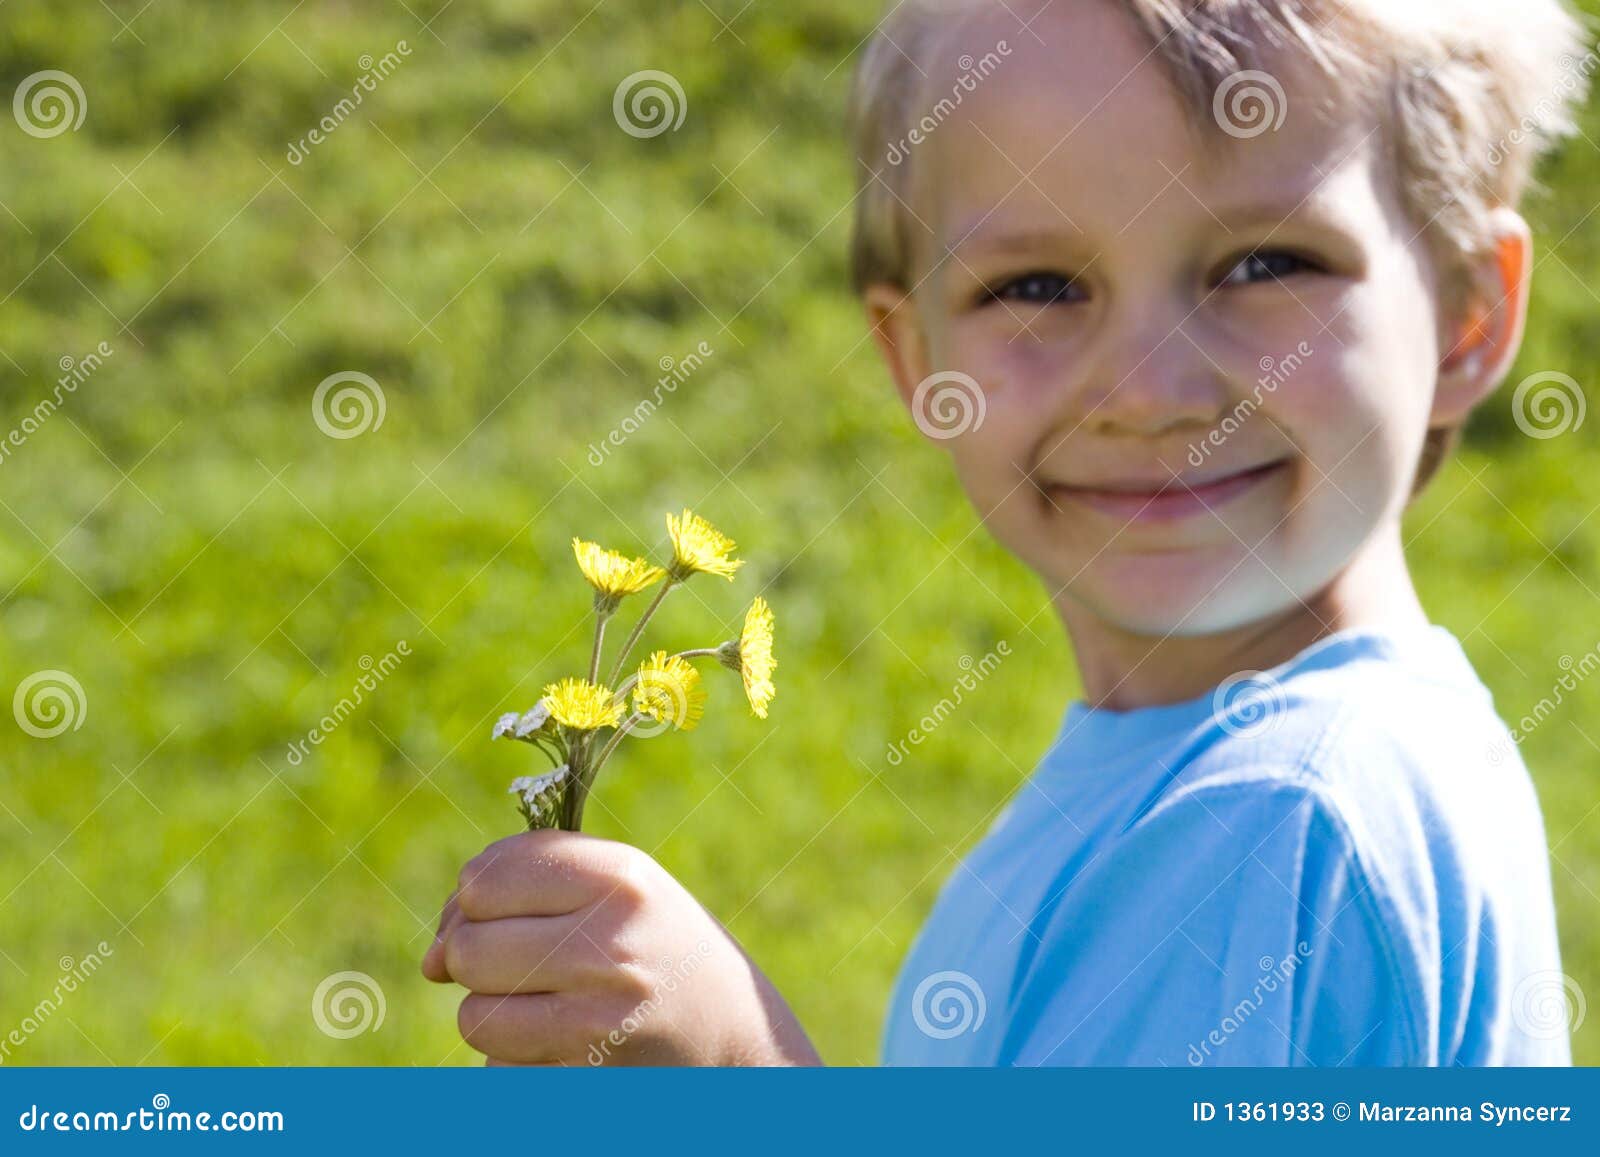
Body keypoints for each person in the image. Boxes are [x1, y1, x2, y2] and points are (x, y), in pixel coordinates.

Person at [424, 0, 1586, 1065]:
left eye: (1266, 262)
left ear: (1466, 313)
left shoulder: (1274, 820)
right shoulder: (1270, 768)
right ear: (917, 360)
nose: (1150, 389)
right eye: (1036, 285)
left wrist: (741, 1069)